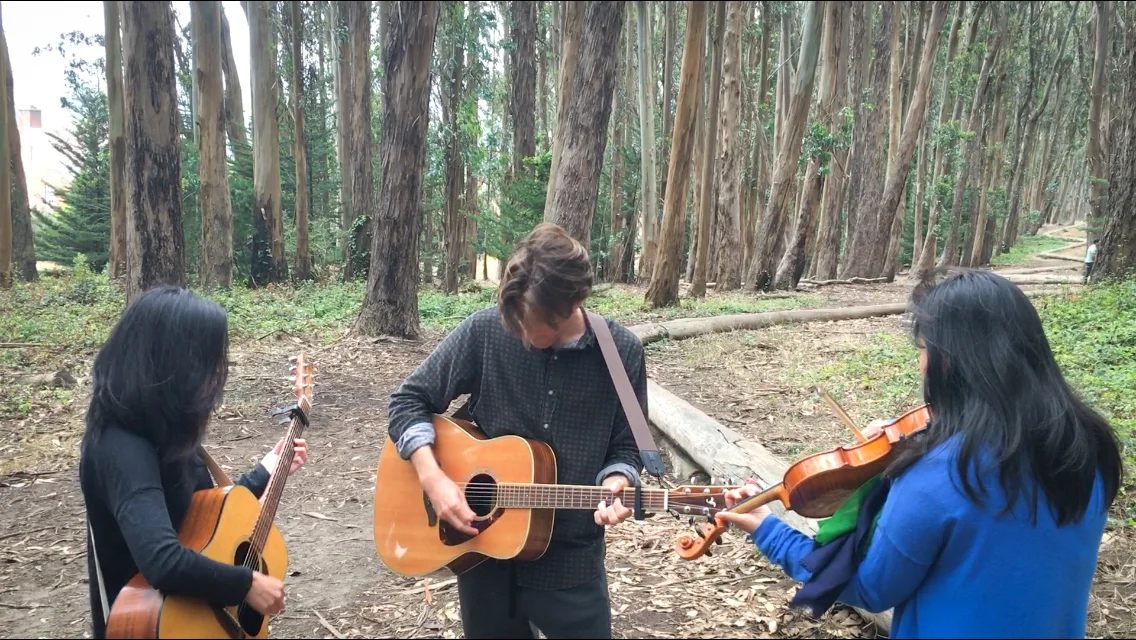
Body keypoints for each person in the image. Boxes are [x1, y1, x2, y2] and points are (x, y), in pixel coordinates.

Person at [718, 268, 1122, 639]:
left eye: (923, 349)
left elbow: (871, 587)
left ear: (949, 361)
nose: (920, 365)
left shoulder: (941, 475)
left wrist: (767, 529)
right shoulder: (1088, 447)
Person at [387, 223, 647, 639]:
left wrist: (618, 480)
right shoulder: (487, 330)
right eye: (514, 320)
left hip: (570, 561)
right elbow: (407, 401)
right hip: (483, 554)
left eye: (530, 323)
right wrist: (432, 477)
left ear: (573, 303)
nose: (520, 334)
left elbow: (627, 449)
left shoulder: (621, 353)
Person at [79, 286, 309, 639]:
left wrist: (265, 472)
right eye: (207, 363)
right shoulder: (120, 447)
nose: (214, 375)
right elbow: (163, 562)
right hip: (153, 624)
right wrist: (246, 583)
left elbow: (202, 523)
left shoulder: (162, 431)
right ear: (173, 366)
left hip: (193, 612)